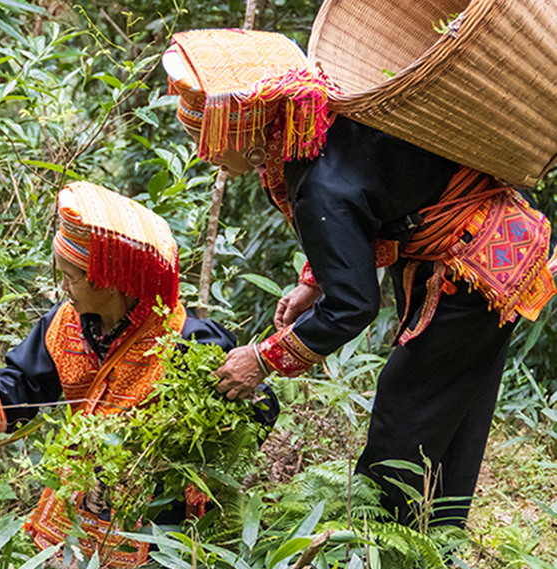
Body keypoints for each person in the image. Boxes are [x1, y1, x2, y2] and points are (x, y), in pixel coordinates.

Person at [163, 28, 557, 527]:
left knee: (405, 409)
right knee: (455, 400)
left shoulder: (313, 182)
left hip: (471, 268)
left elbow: (353, 306)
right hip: (489, 246)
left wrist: (261, 360)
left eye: (209, 138)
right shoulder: (320, 118)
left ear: (241, 128)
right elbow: (370, 196)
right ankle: (439, 536)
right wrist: (315, 279)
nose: (207, 155)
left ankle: (380, 541)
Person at [0, 180, 278, 568]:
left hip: (156, 523)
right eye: (61, 272)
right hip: (77, 513)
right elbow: (26, 381)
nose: (63, 287)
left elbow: (257, 405)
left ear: (110, 278)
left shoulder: (187, 341)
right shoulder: (63, 323)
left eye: (72, 276)